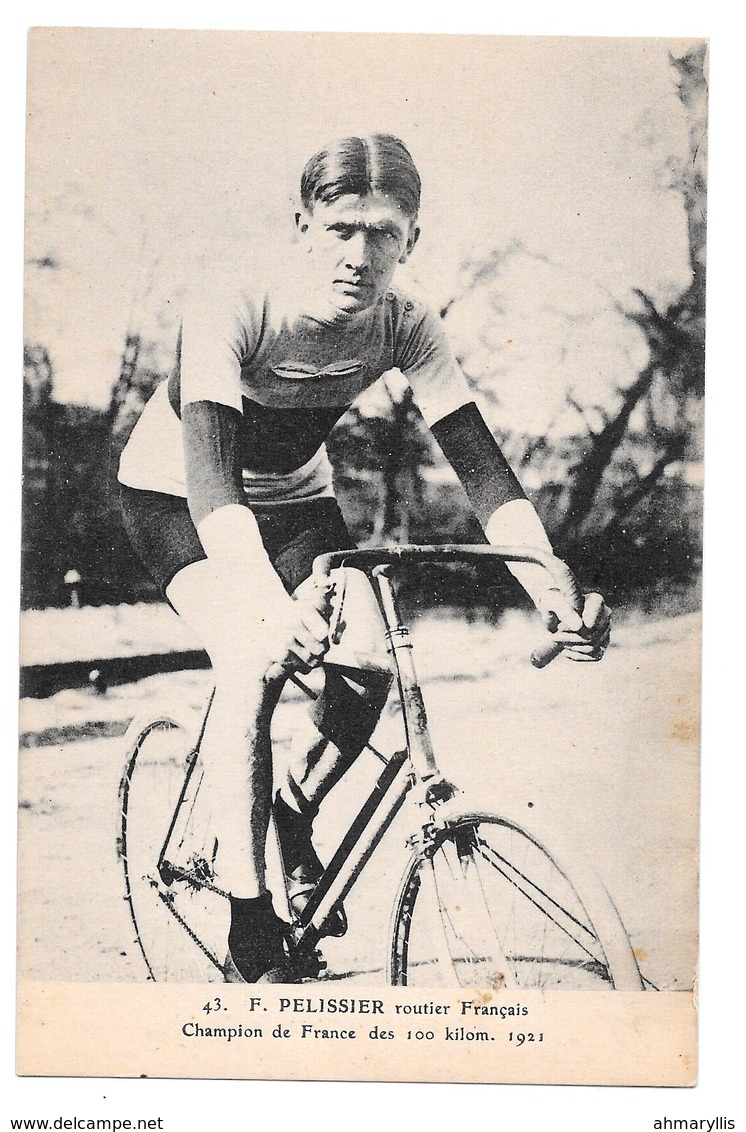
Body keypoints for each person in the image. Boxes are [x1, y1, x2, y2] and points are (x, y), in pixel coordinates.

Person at [118, 133, 611, 983]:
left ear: (412, 239)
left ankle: (293, 805)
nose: (359, 254)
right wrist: (270, 610)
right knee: (254, 657)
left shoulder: (408, 323)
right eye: (341, 228)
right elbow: (211, 479)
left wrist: (550, 588)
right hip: (178, 497)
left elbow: (483, 467)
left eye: (384, 233)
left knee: (368, 664)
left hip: (296, 497)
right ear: (302, 223)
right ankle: (247, 908)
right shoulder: (233, 300)